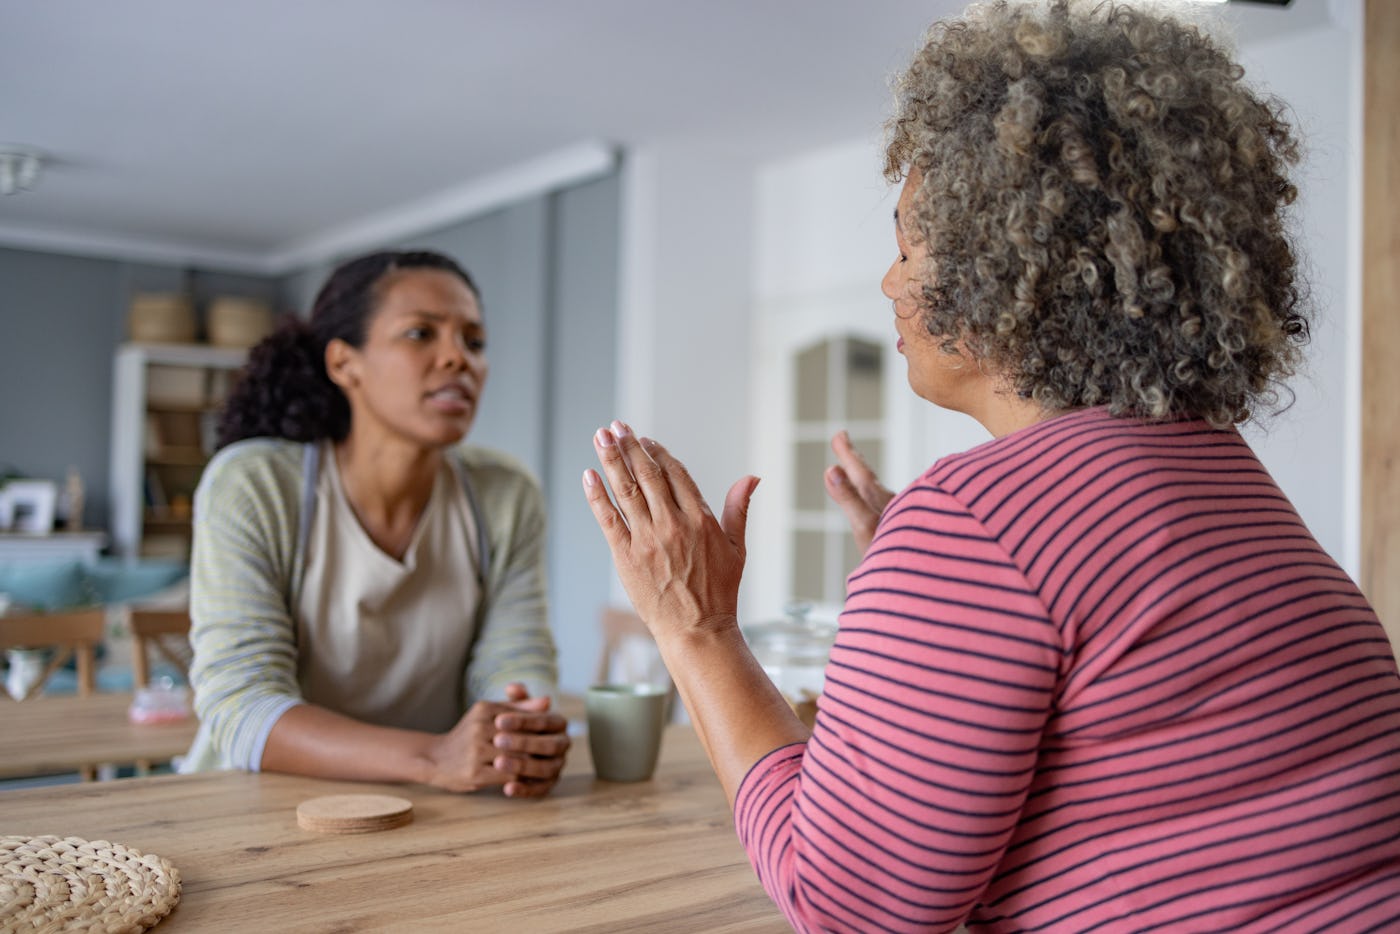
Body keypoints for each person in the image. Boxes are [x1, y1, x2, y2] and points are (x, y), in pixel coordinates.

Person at [582, 1, 1400, 930]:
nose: (888, 281)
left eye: (907, 244)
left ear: (1004, 264)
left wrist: (696, 628)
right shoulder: (1219, 471)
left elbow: (850, 909)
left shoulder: (976, 520)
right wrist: (937, 573)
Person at [183, 249, 570, 798]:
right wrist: (434, 756)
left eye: (473, 341)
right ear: (345, 364)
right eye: (420, 334)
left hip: (431, 806)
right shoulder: (253, 485)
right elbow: (243, 708)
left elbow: (515, 658)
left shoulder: (504, 494)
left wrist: (518, 731)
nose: (457, 358)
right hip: (253, 809)